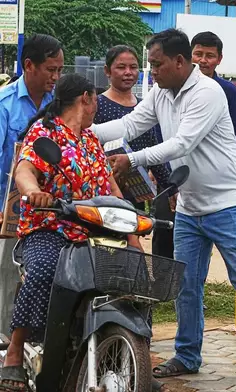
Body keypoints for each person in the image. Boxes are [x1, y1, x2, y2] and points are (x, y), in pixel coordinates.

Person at [91, 28, 236, 387]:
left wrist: (131, 158)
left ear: (178, 61)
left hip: (229, 204)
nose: (151, 72)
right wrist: (81, 130)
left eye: (157, 65)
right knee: (186, 284)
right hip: (189, 206)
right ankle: (187, 354)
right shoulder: (160, 92)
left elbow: (180, 143)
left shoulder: (208, 92)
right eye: (150, 66)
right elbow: (129, 124)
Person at [0, 73, 142, 392]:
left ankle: (130, 357)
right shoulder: (46, 132)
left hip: (93, 232)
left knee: (127, 277)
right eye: (95, 102)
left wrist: (132, 232)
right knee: (41, 272)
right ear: (86, 99)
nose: (96, 109)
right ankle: (13, 354)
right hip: (49, 229)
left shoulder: (91, 140)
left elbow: (111, 187)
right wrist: (34, 191)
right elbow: (25, 169)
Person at [0, 34, 63, 336]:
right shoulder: (5, 105)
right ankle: (4, 349)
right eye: (51, 69)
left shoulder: (59, 106)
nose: (56, 77)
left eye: (60, 70)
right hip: (7, 212)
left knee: (38, 279)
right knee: (7, 278)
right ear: (29, 65)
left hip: (47, 213)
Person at [94, 45, 174, 211]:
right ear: (107, 71)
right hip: (102, 192)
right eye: (121, 67)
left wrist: (170, 187)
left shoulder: (145, 107)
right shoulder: (96, 105)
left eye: (133, 67)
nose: (128, 72)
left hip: (137, 191)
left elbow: (153, 150)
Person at [191, 31, 236, 148]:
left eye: (210, 56)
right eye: (198, 54)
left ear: (219, 59)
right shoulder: (178, 87)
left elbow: (235, 134)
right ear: (189, 56)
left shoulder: (229, 91)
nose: (203, 60)